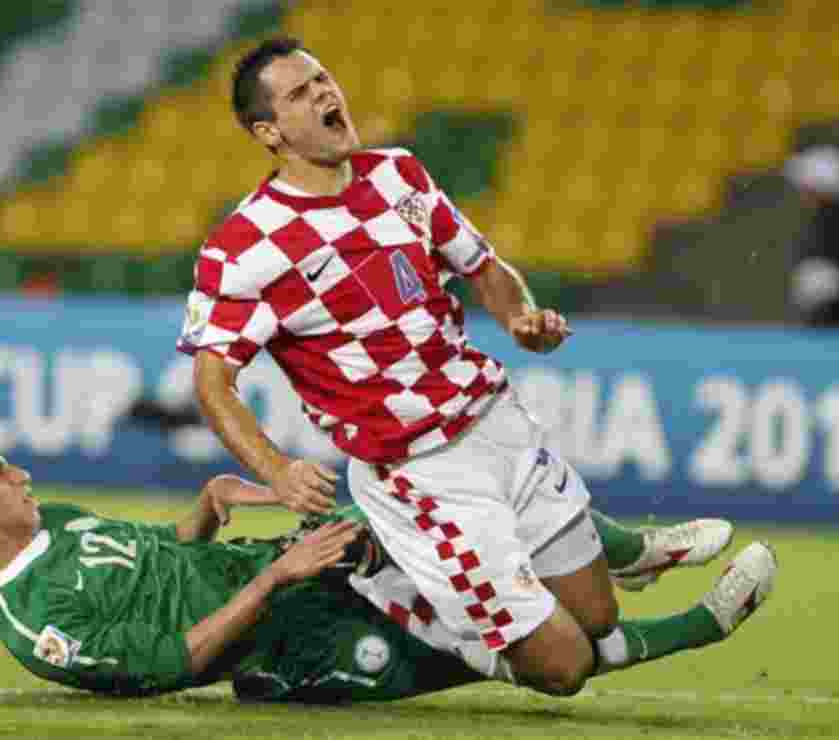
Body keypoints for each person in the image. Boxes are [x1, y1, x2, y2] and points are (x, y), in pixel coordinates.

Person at [178, 37, 778, 696]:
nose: (324, 93)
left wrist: (521, 316)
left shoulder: (397, 174)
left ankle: (620, 557)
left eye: (322, 78)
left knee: (598, 614)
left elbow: (482, 265)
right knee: (563, 665)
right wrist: (277, 470)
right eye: (299, 92)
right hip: (419, 472)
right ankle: (701, 621)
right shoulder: (246, 246)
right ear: (269, 131)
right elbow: (214, 384)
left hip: (495, 423)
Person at [0, 443, 773, 703]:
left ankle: (634, 552)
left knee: (445, 490)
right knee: (531, 654)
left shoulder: (60, 523)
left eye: (8, 467)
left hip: (296, 566)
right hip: (293, 648)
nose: (19, 476)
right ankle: (705, 624)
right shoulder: (34, 623)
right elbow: (168, 664)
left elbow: (164, 555)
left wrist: (207, 509)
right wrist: (274, 581)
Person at [784, 145, 839, 327]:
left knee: (818, 280)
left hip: (836, 320)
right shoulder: (825, 218)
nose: (802, 193)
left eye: (807, 187)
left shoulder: (836, 220)